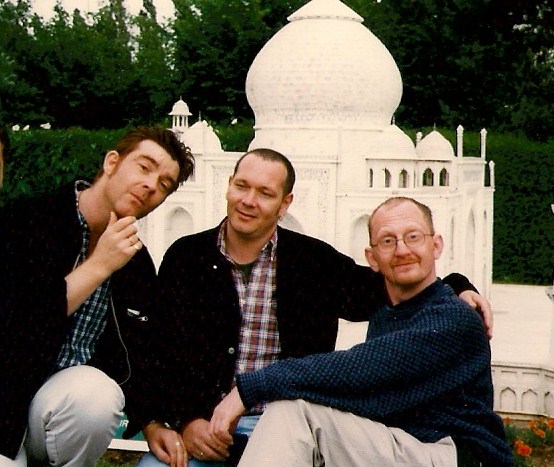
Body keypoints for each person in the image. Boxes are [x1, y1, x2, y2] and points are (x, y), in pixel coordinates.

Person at [137, 149, 493, 467]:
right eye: (242, 186)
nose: (249, 201)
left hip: (292, 429)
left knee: (291, 411)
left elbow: (366, 360)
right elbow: (157, 349)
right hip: (208, 428)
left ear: (285, 204)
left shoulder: (313, 262)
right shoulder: (187, 258)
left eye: (265, 193)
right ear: (228, 185)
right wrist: (184, 420)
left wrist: (456, 287)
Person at [209, 196, 513, 467]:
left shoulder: (454, 318)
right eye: (388, 241)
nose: (402, 250)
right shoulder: (386, 313)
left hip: (454, 454)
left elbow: (360, 368)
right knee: (295, 413)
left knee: (297, 415)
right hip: (401, 444)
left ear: (436, 246)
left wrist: (251, 388)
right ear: (372, 258)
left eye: (413, 237)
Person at [0, 126, 194, 466]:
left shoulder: (135, 262)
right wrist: (100, 265)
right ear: (111, 162)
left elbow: (141, 352)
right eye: (144, 167)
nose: (151, 185)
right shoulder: (26, 223)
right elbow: (16, 325)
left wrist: (151, 421)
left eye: (164, 184)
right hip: (5, 402)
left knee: (97, 395)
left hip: (59, 406)